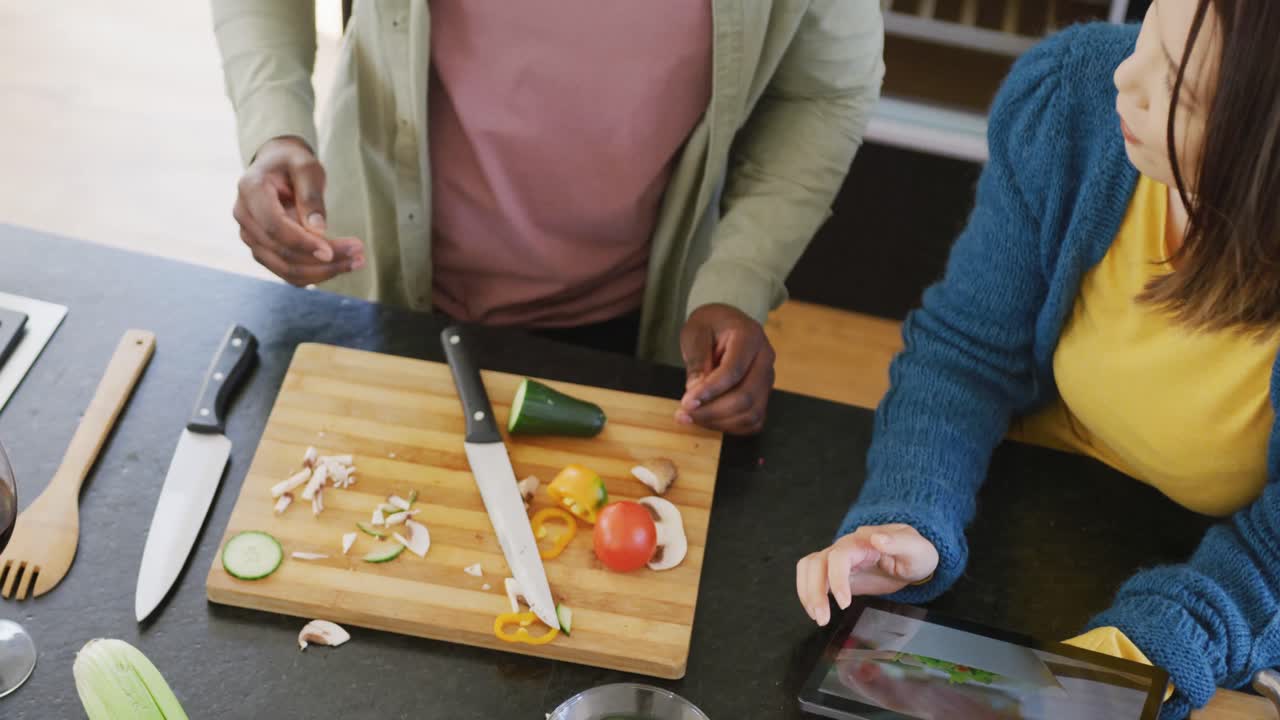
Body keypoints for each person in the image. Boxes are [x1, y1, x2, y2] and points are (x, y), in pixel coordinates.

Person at [795, 1, 1280, 717]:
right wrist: (912, 516)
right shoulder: (1074, 99)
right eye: (1151, 30)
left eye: (1178, 86)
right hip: (1023, 502)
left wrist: (1153, 649)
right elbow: (965, 352)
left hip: (1213, 569)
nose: (1125, 76)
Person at [210, 1, 885, 436]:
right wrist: (276, 131)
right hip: (380, 287)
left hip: (635, 326)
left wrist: (740, 278)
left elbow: (824, 92)